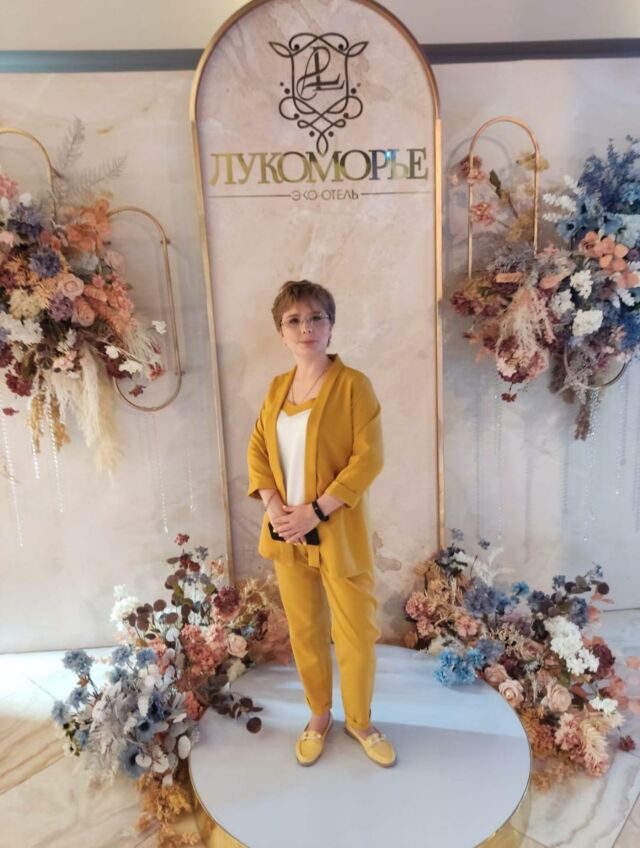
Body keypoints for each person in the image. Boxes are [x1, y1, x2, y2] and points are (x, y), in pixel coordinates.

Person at [246, 279, 396, 768]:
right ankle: (318, 714)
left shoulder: (354, 386)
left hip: (336, 532)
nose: (305, 328)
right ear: (281, 332)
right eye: (294, 320)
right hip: (286, 534)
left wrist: (315, 510)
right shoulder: (276, 389)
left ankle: (361, 721)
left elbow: (367, 459)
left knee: (355, 633)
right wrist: (274, 507)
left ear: (331, 326)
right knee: (305, 631)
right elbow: (258, 450)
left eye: (316, 318)